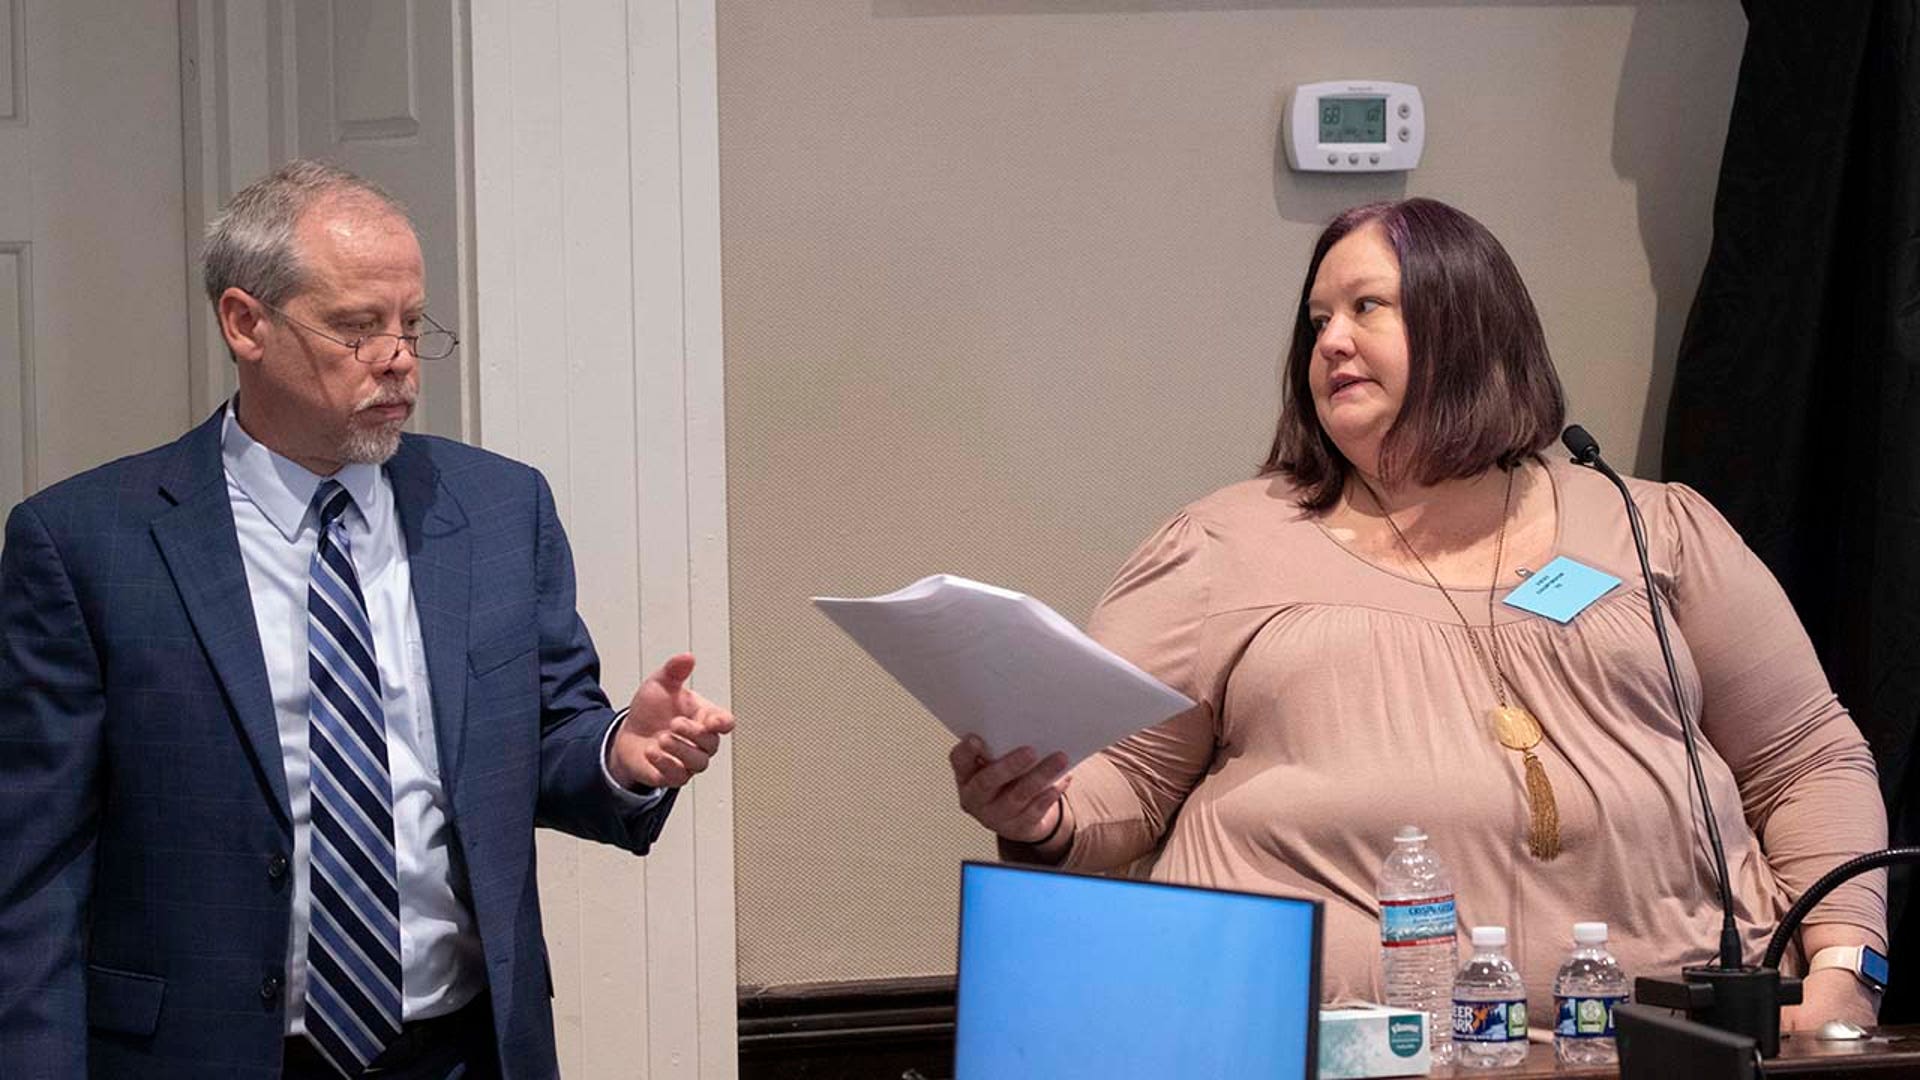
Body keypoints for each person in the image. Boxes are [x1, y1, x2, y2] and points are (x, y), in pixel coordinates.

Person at [950, 197, 1886, 1032]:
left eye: (1367, 308)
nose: (1330, 342)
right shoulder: (1224, 547)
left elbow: (1807, 760)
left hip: (1658, 1046)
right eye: (1317, 320)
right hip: (1335, 1048)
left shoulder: (1651, 527)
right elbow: (1127, 783)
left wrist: (1846, 970)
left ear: (1473, 328)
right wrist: (1043, 815)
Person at [0, 160, 734, 1079]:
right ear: (245, 323)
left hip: (461, 1049)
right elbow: (32, 874)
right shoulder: (86, 543)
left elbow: (549, 734)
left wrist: (620, 754)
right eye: (357, 327)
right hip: (203, 1052)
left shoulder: (500, 509)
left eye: (411, 325)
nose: (395, 356)